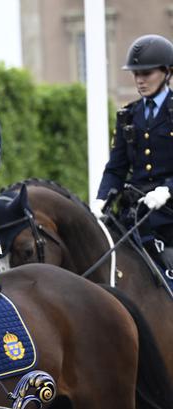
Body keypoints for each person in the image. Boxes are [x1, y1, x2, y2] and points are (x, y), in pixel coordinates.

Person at [94, 34, 173, 281]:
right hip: (135, 215)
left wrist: (168, 190)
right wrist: (100, 199)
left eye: (146, 73)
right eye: (135, 74)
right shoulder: (129, 115)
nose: (139, 80)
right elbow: (116, 168)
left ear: (167, 72)